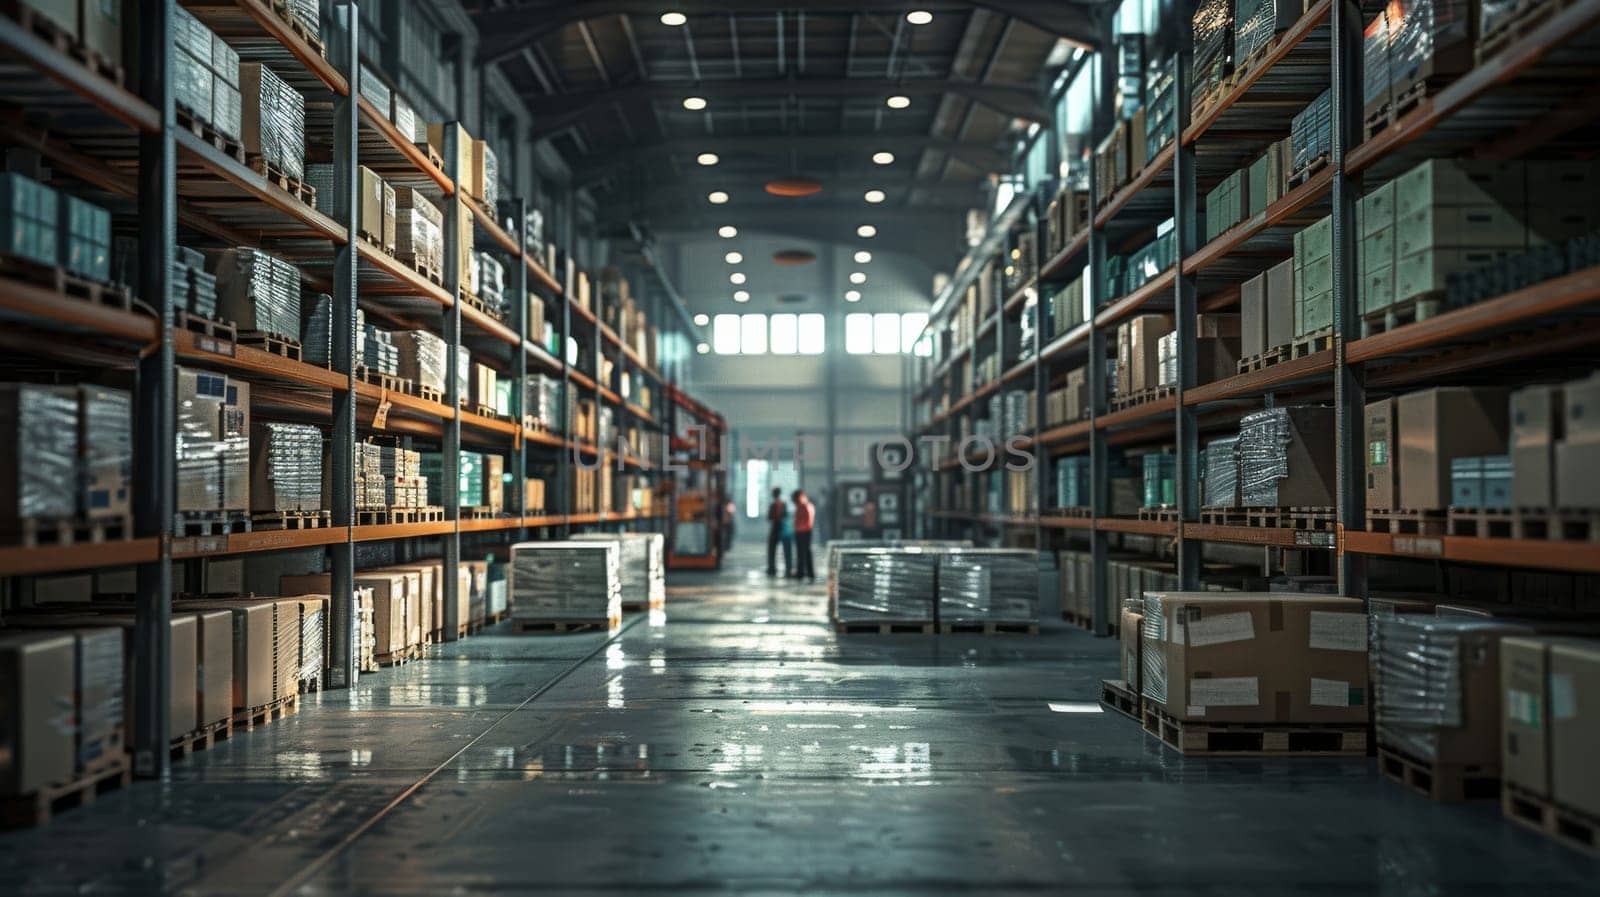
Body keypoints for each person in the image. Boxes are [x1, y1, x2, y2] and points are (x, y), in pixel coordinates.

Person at [791, 488, 816, 584]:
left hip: (803, 532)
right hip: (804, 531)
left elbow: (804, 521)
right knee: (804, 553)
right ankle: (807, 573)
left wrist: (798, 529)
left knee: (803, 553)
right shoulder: (806, 506)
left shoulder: (804, 506)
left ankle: (803, 573)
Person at [765, 487, 789, 576]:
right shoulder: (783, 504)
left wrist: (775, 517)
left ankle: (772, 568)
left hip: (776, 528)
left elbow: (769, 517)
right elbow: (786, 515)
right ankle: (787, 568)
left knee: (771, 549)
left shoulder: (773, 504)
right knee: (785, 550)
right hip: (782, 527)